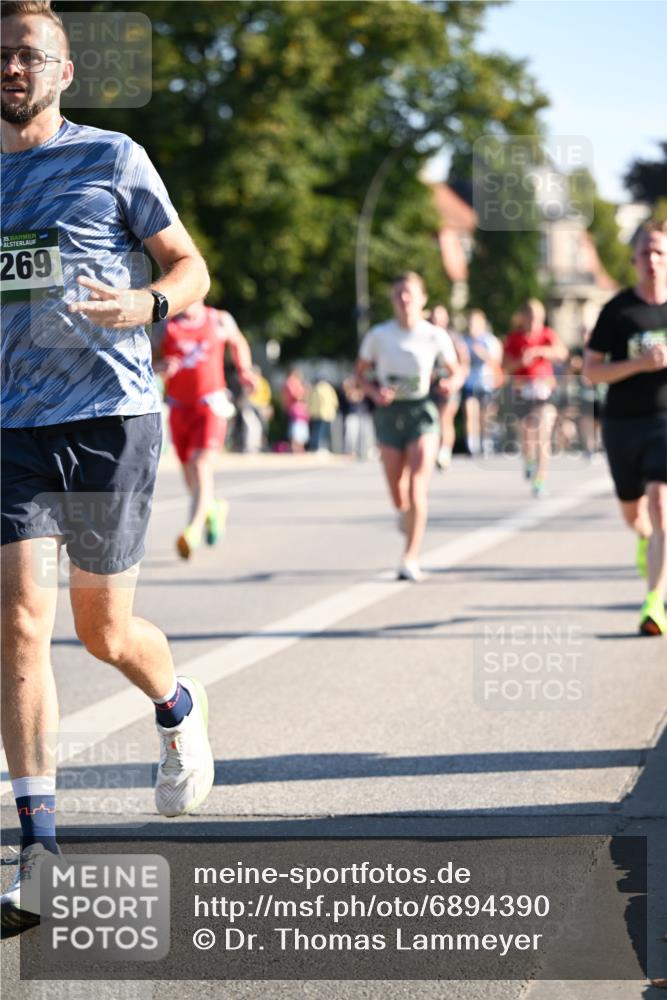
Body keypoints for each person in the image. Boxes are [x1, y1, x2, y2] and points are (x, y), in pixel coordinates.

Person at [0, 1, 213, 929]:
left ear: (65, 70)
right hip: (9, 426)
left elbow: (190, 266)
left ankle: (175, 702)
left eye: (28, 55)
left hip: (108, 417)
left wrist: (147, 304)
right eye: (0, 55)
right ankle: (38, 849)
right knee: (17, 622)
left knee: (102, 632)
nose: (12, 68)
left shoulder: (111, 158)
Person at [584, 220, 667, 636]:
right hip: (622, 426)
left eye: (659, 252)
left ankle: (654, 602)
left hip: (665, 424)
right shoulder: (617, 311)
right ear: (633, 260)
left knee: (661, 506)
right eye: (645, 253)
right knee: (634, 513)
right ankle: (644, 539)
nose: (652, 260)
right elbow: (590, 373)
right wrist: (638, 364)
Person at [356, 272, 463, 581]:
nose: (404, 300)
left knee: (418, 488)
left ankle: (410, 557)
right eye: (399, 294)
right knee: (397, 494)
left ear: (422, 299)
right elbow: (360, 373)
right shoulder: (379, 335)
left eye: (410, 294)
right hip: (389, 415)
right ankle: (405, 515)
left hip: (421, 411)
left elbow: (457, 372)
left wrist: (449, 384)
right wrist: (375, 391)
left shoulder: (434, 336)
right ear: (392, 300)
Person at [159, 299, 256, 558]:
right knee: (189, 476)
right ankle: (213, 508)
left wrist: (244, 370)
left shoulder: (218, 319)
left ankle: (192, 531)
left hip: (211, 405)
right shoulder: (166, 325)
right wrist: (161, 368)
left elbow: (238, 342)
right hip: (179, 407)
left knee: (200, 465)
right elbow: (149, 359)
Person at [503, 299, 568, 497]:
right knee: (526, 436)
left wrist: (541, 351)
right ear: (523, 317)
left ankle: (539, 480)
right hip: (522, 392)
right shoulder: (515, 338)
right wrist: (520, 362)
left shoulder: (547, 335)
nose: (534, 321)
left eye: (538, 317)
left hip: (544, 392)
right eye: (530, 316)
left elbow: (562, 353)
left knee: (543, 436)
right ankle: (528, 459)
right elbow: (505, 367)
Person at [428, 304, 469, 469]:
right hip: (430, 384)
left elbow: (464, 363)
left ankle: (444, 453)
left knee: (446, 418)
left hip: (450, 383)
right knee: (433, 419)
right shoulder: (426, 335)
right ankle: (434, 451)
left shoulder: (453, 337)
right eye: (434, 316)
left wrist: (455, 381)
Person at [462, 308, 503, 456]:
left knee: (485, 416)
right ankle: (472, 444)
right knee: (470, 411)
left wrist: (482, 353)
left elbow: (496, 361)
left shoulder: (489, 340)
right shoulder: (464, 340)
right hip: (470, 383)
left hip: (486, 383)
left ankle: (487, 442)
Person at [282, 367, 309, 452]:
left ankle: (298, 449)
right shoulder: (291, 382)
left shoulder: (290, 382)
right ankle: (296, 449)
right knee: (297, 431)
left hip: (297, 411)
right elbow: (296, 396)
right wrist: (304, 393)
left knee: (298, 431)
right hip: (296, 411)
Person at [308, 377, 339, 452]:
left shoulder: (315, 388)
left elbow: (311, 401)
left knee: (317, 432)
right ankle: (321, 447)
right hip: (327, 413)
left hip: (316, 413)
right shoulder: (328, 388)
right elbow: (334, 401)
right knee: (323, 433)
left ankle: (316, 447)